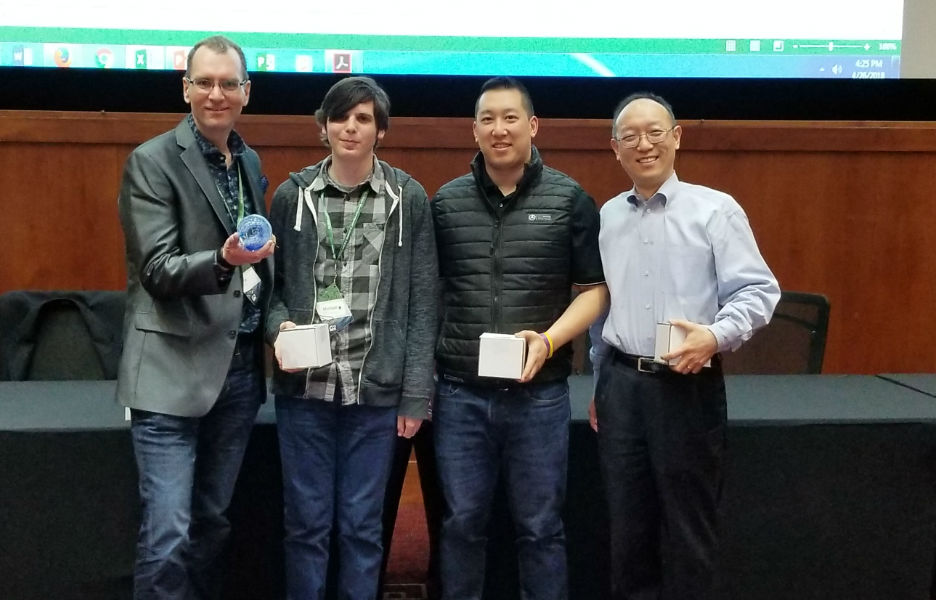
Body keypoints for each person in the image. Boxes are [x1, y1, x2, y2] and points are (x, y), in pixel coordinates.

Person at [430, 76, 608, 600]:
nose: (499, 129)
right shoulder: (445, 203)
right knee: (461, 525)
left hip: (540, 397)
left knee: (540, 529)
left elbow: (596, 291)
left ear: (532, 125)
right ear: (475, 129)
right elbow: (425, 294)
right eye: (488, 119)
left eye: (511, 118)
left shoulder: (570, 199)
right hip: (460, 395)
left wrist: (549, 341)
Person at [597, 92, 780, 600]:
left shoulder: (715, 210)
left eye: (655, 132)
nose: (644, 144)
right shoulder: (609, 217)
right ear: (615, 148)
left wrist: (715, 336)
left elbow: (759, 290)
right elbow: (606, 303)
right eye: (630, 136)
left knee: (688, 529)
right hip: (620, 387)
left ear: (677, 137)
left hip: (686, 385)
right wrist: (600, 380)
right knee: (627, 529)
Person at [266, 76, 438, 600]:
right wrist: (280, 329)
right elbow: (267, 291)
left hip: (375, 390)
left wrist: (414, 393)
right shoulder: (291, 196)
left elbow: (423, 302)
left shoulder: (407, 199)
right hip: (305, 393)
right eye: (341, 117)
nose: (351, 127)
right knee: (307, 527)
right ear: (324, 126)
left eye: (363, 118)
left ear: (380, 131)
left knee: (363, 529)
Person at [116, 35, 275, 599]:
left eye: (228, 83)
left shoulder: (248, 159)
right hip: (170, 372)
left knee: (212, 522)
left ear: (246, 93)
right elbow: (156, 270)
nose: (216, 94)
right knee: (168, 533)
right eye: (204, 82)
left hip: (236, 373)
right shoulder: (152, 160)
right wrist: (225, 259)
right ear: (185, 89)